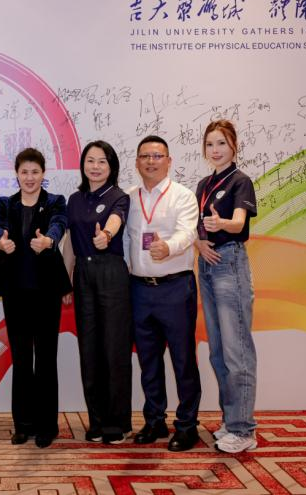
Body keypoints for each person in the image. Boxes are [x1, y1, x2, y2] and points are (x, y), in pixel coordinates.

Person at [126, 135, 201, 452]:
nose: (151, 161)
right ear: (137, 162)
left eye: (157, 156)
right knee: (149, 361)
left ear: (169, 161)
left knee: (183, 360)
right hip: (139, 289)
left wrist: (168, 247)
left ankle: (187, 425)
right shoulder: (128, 198)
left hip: (175, 288)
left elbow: (188, 232)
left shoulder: (183, 196)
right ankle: (154, 420)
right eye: (145, 156)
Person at [0, 148, 71, 448]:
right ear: (17, 174)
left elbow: (59, 224)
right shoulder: (6, 203)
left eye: (35, 172)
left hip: (46, 292)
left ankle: (47, 426)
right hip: (16, 292)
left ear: (43, 174)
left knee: (46, 359)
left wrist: (49, 240)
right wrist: (1, 241)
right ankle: (22, 424)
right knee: (22, 358)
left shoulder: (55, 201)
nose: (29, 177)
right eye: (24, 172)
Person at [194, 120, 259, 454]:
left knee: (237, 350)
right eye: (210, 144)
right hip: (207, 265)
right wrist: (200, 243)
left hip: (230, 263)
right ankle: (231, 420)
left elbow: (238, 223)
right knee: (218, 351)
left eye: (221, 143)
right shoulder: (204, 184)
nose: (215, 150)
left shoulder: (240, 181)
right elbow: (197, 227)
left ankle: (243, 429)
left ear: (234, 145)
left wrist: (221, 223)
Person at [63, 140, 132, 445]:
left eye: (102, 161)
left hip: (111, 272)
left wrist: (106, 234)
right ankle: (97, 421)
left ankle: (117, 423)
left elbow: (116, 221)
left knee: (114, 348)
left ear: (111, 166)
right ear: (83, 165)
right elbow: (70, 243)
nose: (95, 166)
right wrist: (65, 280)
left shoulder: (119, 196)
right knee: (89, 349)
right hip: (83, 274)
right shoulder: (75, 199)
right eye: (90, 161)